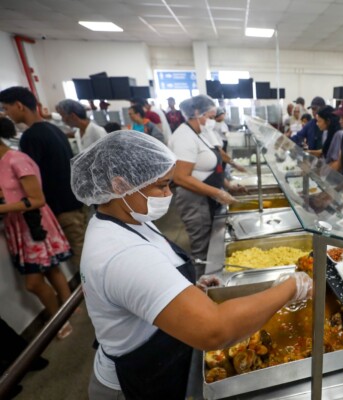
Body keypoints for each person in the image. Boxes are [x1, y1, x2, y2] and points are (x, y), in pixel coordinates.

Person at [70, 130, 312, 399]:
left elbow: (147, 282)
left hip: (157, 358)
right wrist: (292, 287)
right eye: (162, 185)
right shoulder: (122, 254)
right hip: (135, 382)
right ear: (119, 186)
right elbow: (215, 330)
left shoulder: (127, 219)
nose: (169, 193)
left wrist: (184, 288)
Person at [0, 117, 73, 339]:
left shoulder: (16, 159)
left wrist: (3, 207)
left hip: (33, 224)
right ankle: (67, 311)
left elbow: (37, 199)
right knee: (51, 269)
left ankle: (59, 319)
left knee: (33, 282)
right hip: (19, 225)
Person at [0, 86, 86, 268]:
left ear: (19, 105)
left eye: (6, 108)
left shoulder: (31, 137)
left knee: (81, 261)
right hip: (74, 201)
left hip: (62, 208)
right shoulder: (53, 129)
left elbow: (30, 178)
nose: (7, 114)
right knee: (84, 253)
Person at [168, 95, 242, 262]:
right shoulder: (184, 137)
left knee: (212, 241)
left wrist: (227, 185)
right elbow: (181, 177)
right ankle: (202, 276)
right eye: (210, 117)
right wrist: (217, 192)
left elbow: (210, 166)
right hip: (194, 199)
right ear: (196, 113)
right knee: (202, 247)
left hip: (208, 195)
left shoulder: (200, 133)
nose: (212, 121)